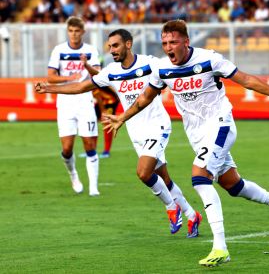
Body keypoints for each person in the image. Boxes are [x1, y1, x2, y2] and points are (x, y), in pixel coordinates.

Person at [102, 20, 269, 267]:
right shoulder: (161, 68)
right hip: (197, 134)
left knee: (200, 178)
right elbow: (145, 98)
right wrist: (122, 118)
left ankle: (220, 247)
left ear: (186, 42)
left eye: (174, 42)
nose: (169, 47)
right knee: (232, 184)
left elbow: (245, 79)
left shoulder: (209, 59)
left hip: (221, 124)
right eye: (165, 43)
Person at [37, 29, 202, 238]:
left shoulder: (150, 63)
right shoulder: (111, 71)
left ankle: (171, 207)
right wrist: (49, 88)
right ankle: (191, 215)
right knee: (165, 179)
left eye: (115, 45)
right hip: (136, 131)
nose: (111, 50)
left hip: (158, 126)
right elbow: (80, 86)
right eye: (110, 46)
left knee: (143, 172)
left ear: (129, 44)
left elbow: (177, 67)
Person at [47, 16, 100, 196]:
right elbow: (51, 77)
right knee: (67, 148)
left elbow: (98, 75)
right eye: (71, 31)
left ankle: (94, 187)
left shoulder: (91, 50)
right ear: (67, 31)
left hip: (85, 100)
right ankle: (73, 174)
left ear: (83, 32)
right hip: (65, 102)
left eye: (77, 31)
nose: (74, 34)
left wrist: (86, 65)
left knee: (89, 144)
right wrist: (69, 78)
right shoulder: (59, 50)